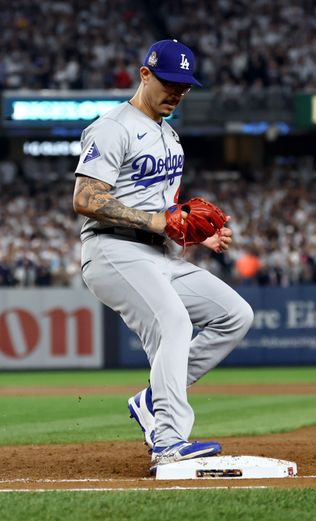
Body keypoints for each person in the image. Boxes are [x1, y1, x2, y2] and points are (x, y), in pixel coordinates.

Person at [72, 39, 254, 473]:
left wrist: (197, 237)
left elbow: (169, 214)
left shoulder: (171, 137)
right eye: (169, 82)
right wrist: (158, 223)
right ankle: (168, 442)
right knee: (173, 321)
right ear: (145, 74)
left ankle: (151, 400)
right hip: (111, 247)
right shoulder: (112, 127)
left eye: (185, 87)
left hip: (158, 256)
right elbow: (86, 197)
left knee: (235, 315)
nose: (176, 93)